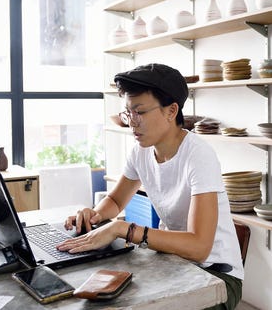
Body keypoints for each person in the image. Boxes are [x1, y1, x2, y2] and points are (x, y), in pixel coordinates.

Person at [57, 63, 244, 309]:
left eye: (140, 112)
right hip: (171, 262)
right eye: (128, 113)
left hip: (217, 276)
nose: (132, 123)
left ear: (171, 111)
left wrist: (122, 228)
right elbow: (115, 201)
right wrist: (95, 215)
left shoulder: (198, 155)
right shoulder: (141, 152)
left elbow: (199, 247)